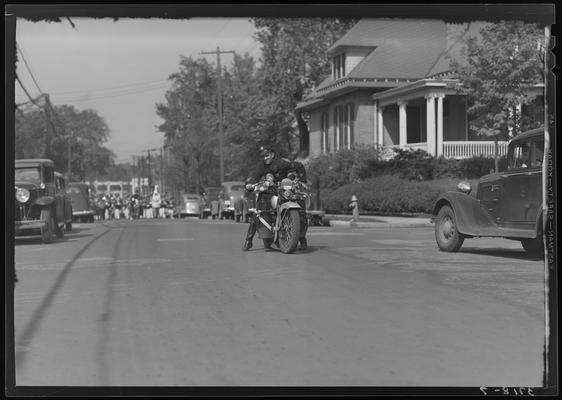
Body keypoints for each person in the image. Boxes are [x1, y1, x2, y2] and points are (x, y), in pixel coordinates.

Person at [242, 146, 308, 251]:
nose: (265, 158)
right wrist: (250, 185)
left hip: (283, 190)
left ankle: (302, 238)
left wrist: (303, 181)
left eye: (267, 155)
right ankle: (248, 240)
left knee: (300, 205)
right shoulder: (261, 166)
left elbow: (298, 166)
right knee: (258, 211)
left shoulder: (281, 163)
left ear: (272, 154)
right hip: (269, 191)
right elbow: (255, 177)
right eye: (263, 156)